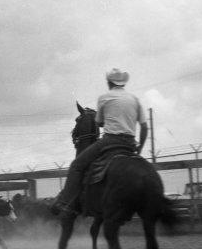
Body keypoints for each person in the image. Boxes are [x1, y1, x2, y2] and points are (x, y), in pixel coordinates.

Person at [50, 68, 147, 219]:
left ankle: (65, 201)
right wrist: (139, 149)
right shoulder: (135, 100)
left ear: (109, 83)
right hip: (130, 144)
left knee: (77, 165)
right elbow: (145, 127)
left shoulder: (104, 98)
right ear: (123, 83)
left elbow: (99, 123)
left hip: (109, 141)